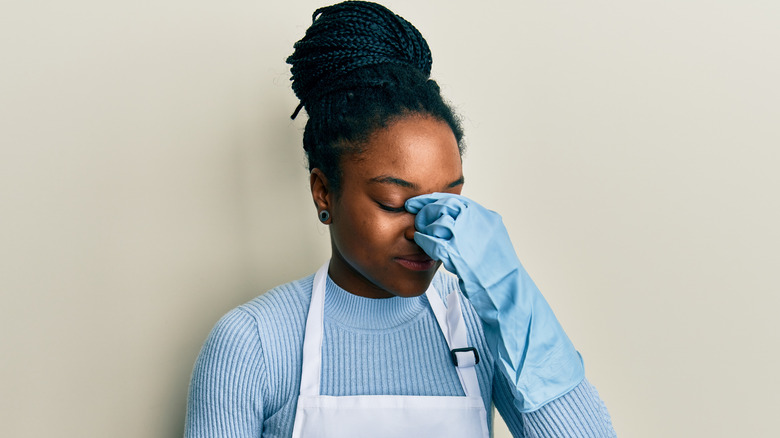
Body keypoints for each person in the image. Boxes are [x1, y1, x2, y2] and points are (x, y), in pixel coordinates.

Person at [185, 1, 616, 437]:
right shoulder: (253, 343)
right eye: (393, 203)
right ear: (324, 192)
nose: (425, 233)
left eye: (448, 203)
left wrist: (512, 294)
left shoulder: (480, 323)